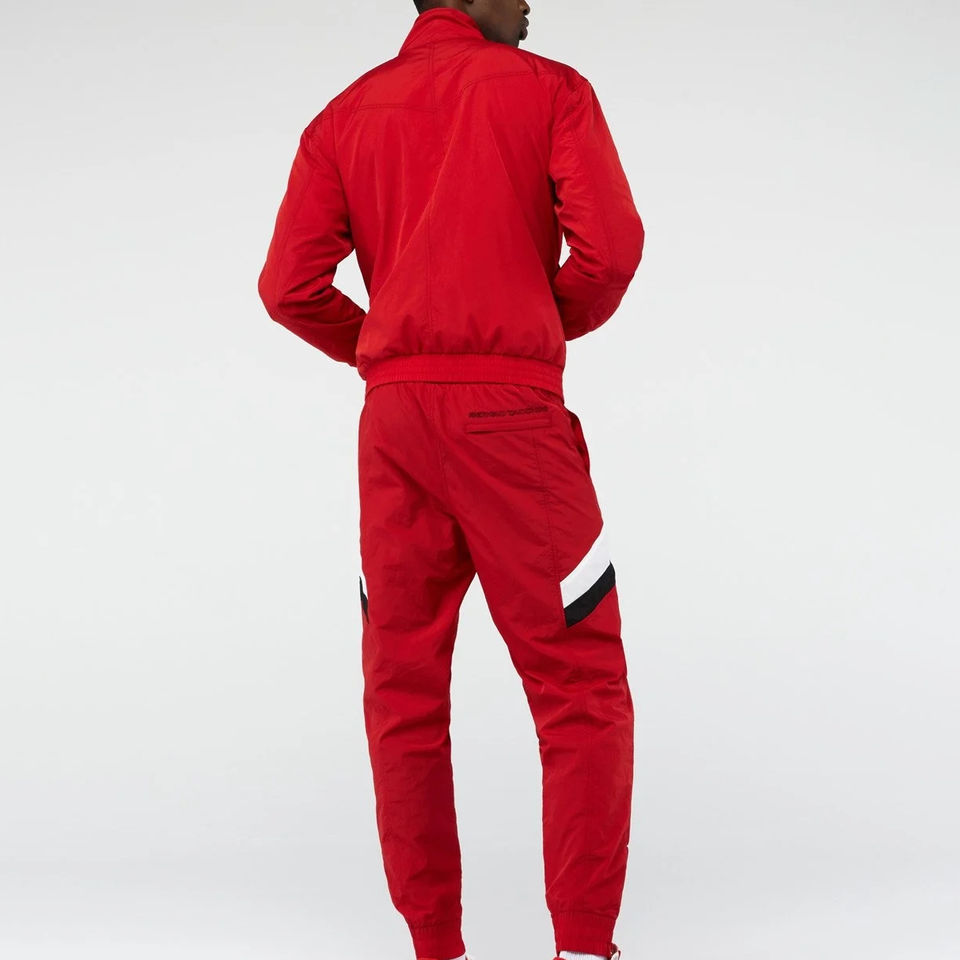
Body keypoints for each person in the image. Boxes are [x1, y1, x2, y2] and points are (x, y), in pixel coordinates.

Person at [257, 2, 644, 958]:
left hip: (392, 426)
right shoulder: (551, 91)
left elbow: (287, 286)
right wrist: (528, 319)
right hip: (509, 418)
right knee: (580, 684)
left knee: (402, 689)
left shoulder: (343, 115)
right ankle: (582, 946)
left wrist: (389, 348)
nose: (532, 5)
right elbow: (612, 250)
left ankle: (434, 946)